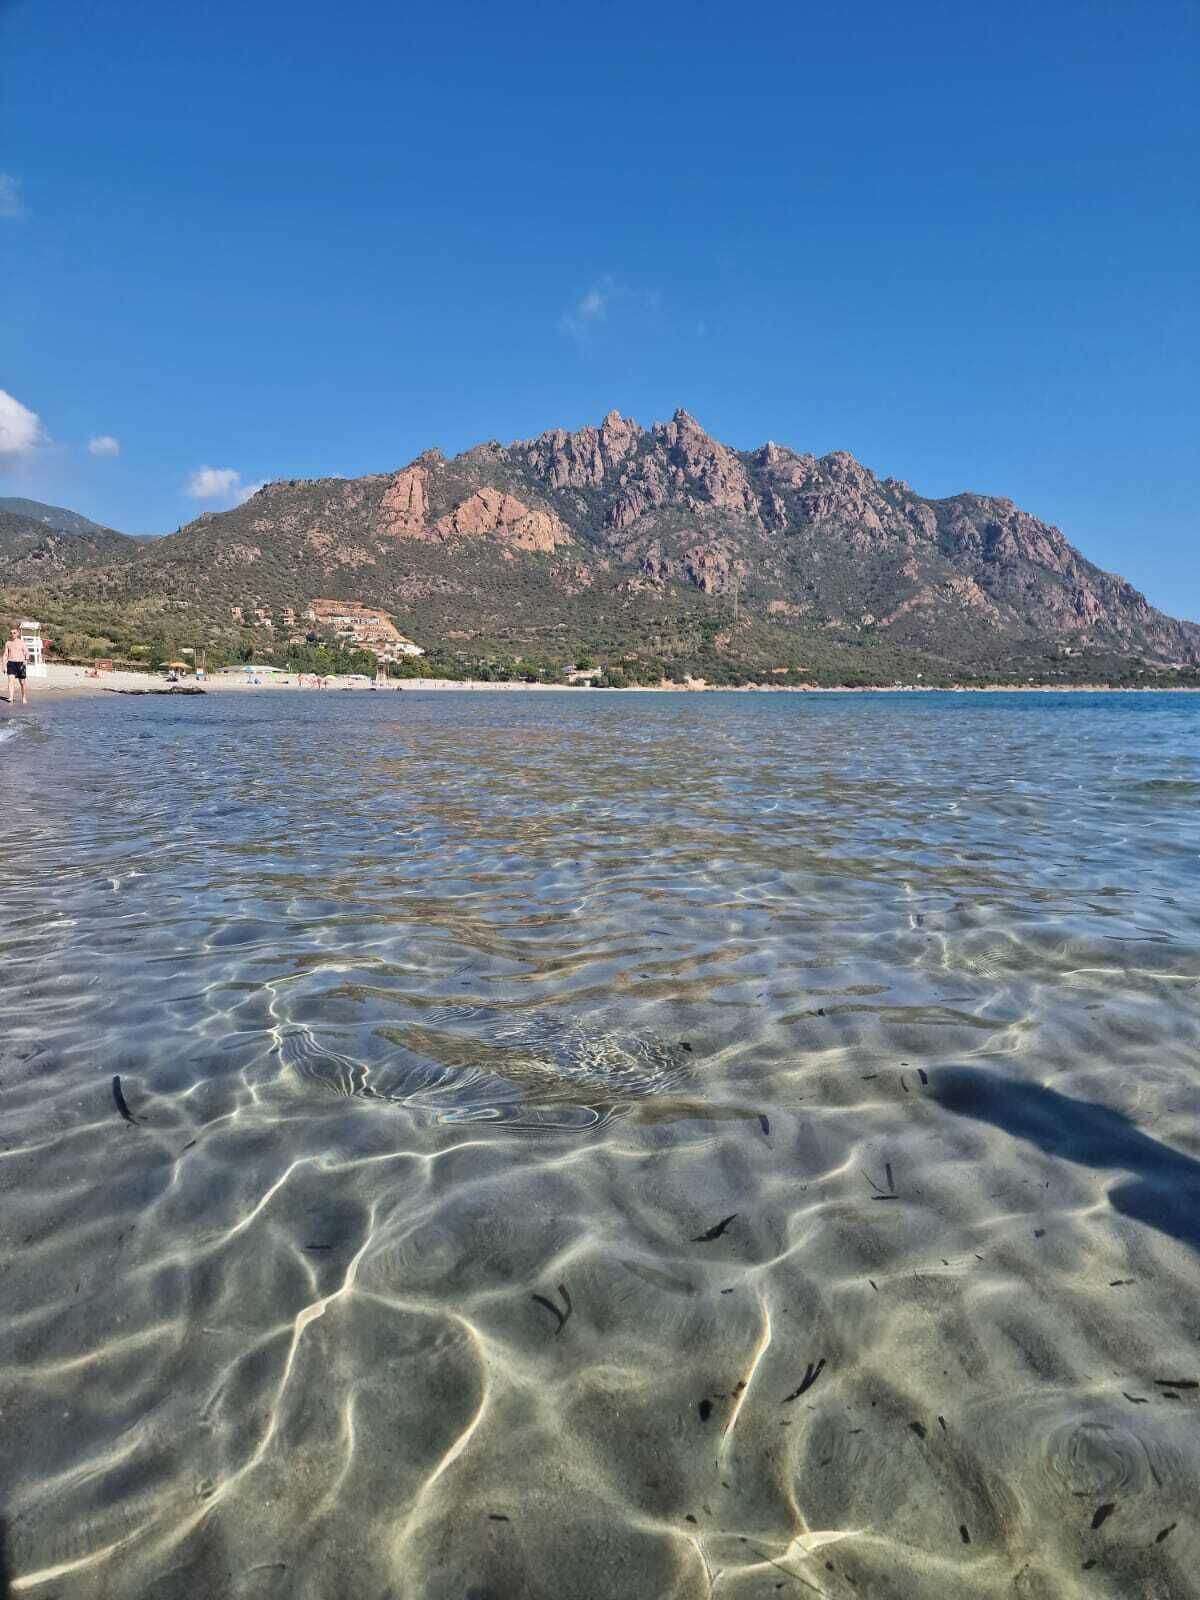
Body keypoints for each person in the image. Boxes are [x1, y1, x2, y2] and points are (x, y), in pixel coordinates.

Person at [2, 626, 29, 705]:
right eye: (11, 633)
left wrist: (26, 660)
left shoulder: (22, 642)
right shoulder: (8, 643)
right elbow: (5, 654)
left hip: (20, 663)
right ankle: (11, 697)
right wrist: (3, 666)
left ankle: (24, 697)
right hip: (11, 663)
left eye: (14, 633)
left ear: (17, 633)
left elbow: (27, 652)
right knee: (10, 680)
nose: (12, 634)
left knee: (22, 682)